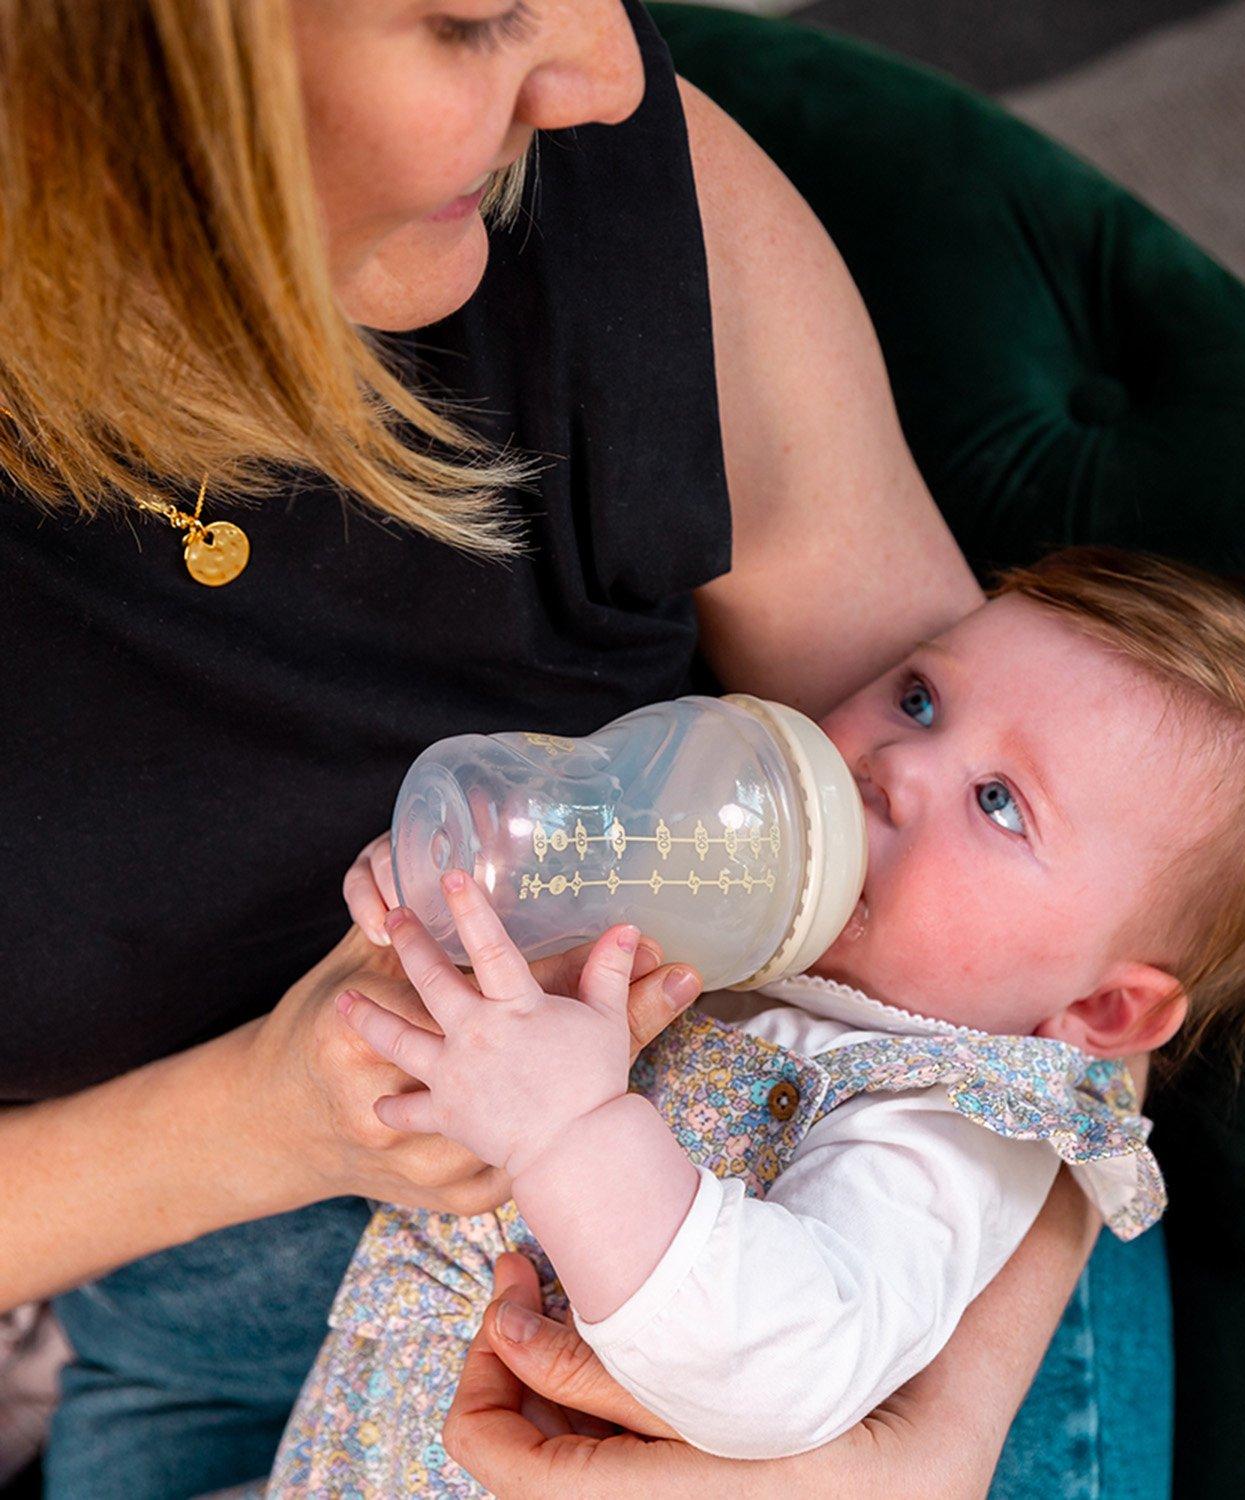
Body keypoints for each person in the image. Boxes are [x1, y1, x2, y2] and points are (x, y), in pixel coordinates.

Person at [0, 2, 1156, 1495]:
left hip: (811, 1236)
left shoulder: (613, 181)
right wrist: (273, 1116)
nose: (613, 70)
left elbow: (1073, 927)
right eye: (474, 19)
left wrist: (932, 1432)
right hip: (196, 1318)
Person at [266, 547, 1245, 1490]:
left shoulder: (948, 1120)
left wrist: (566, 1134)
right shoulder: (731, 917)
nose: (897, 766)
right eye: (919, 697)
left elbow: (787, 1363)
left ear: (1104, 1006)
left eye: (1000, 803)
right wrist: (476, 890)